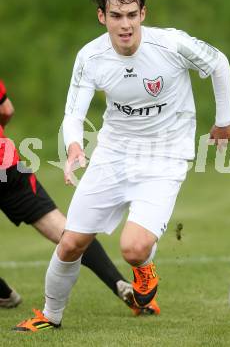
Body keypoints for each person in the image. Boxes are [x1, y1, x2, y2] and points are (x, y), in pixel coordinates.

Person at [14, 0, 230, 331]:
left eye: (132, 15)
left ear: (143, 14)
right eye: (116, 15)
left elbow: (218, 63)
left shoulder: (170, 45)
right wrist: (73, 146)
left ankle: (144, 272)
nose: (125, 24)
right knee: (71, 243)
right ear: (102, 17)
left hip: (165, 156)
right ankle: (49, 317)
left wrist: (223, 120)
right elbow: (74, 113)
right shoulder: (91, 57)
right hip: (113, 154)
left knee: (133, 248)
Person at [0, 79, 158, 316]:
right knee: (67, 232)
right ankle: (119, 284)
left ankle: (4, 293)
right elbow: (6, 109)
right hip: (7, 164)